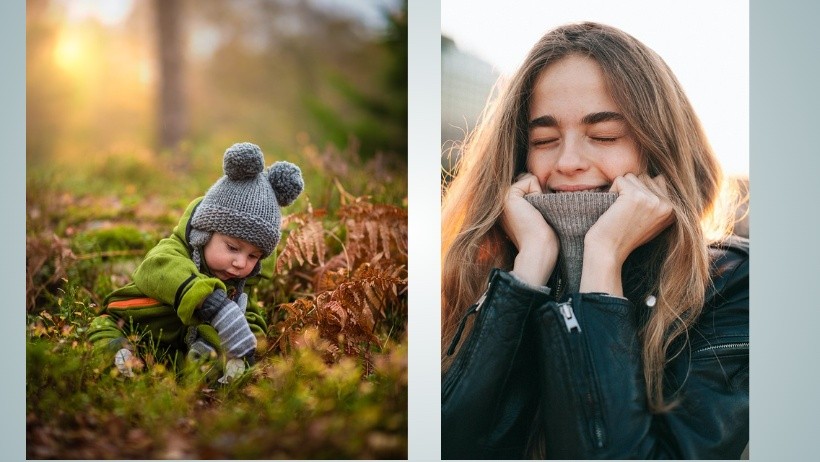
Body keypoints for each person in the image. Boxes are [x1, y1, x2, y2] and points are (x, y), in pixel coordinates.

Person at [441, 22, 748, 459]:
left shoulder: (732, 287)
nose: (568, 162)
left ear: (659, 148)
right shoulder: (481, 269)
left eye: (604, 136)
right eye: (544, 140)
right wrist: (528, 272)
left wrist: (600, 264)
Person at [88, 142, 304, 383]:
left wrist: (246, 348)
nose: (241, 262)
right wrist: (210, 301)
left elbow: (250, 316)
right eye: (232, 248)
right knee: (103, 328)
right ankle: (119, 355)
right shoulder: (174, 250)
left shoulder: (239, 285)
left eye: (253, 256)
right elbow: (156, 268)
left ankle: (197, 369)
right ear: (204, 233)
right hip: (132, 323)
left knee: (215, 354)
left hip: (176, 349)